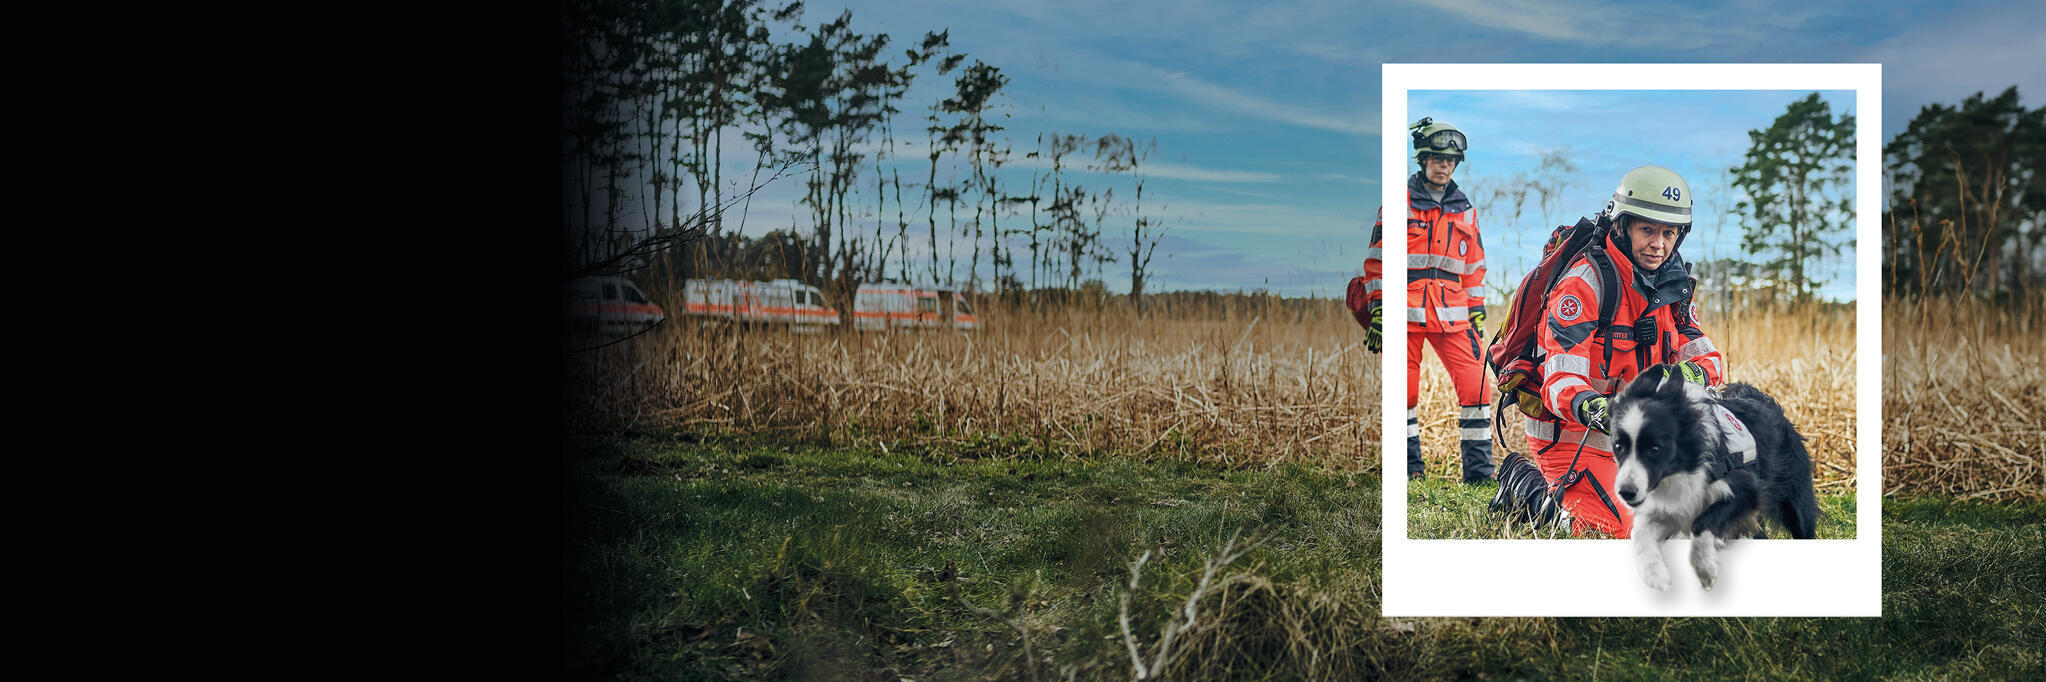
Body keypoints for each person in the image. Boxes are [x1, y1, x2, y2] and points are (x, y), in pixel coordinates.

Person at [1519, 165, 1728, 537]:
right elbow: (1559, 379)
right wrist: (1597, 408)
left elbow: (1708, 358)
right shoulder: (1585, 282)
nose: (1658, 244)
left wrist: (1688, 374)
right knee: (1627, 532)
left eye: (1668, 233)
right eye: (1647, 230)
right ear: (1622, 225)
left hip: (1642, 444)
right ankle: (1527, 491)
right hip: (1574, 439)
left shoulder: (1673, 284)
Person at [1360, 118, 1495, 484]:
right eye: (1437, 159)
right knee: (1403, 393)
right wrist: (1378, 309)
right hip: (1402, 312)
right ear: (1423, 160)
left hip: (1453, 313)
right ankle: (1409, 472)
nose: (1444, 166)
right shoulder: (1397, 204)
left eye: (1450, 161)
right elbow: (1377, 261)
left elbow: (1474, 268)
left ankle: (1480, 475)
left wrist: (1477, 310)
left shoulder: (1466, 210)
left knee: (1477, 386)